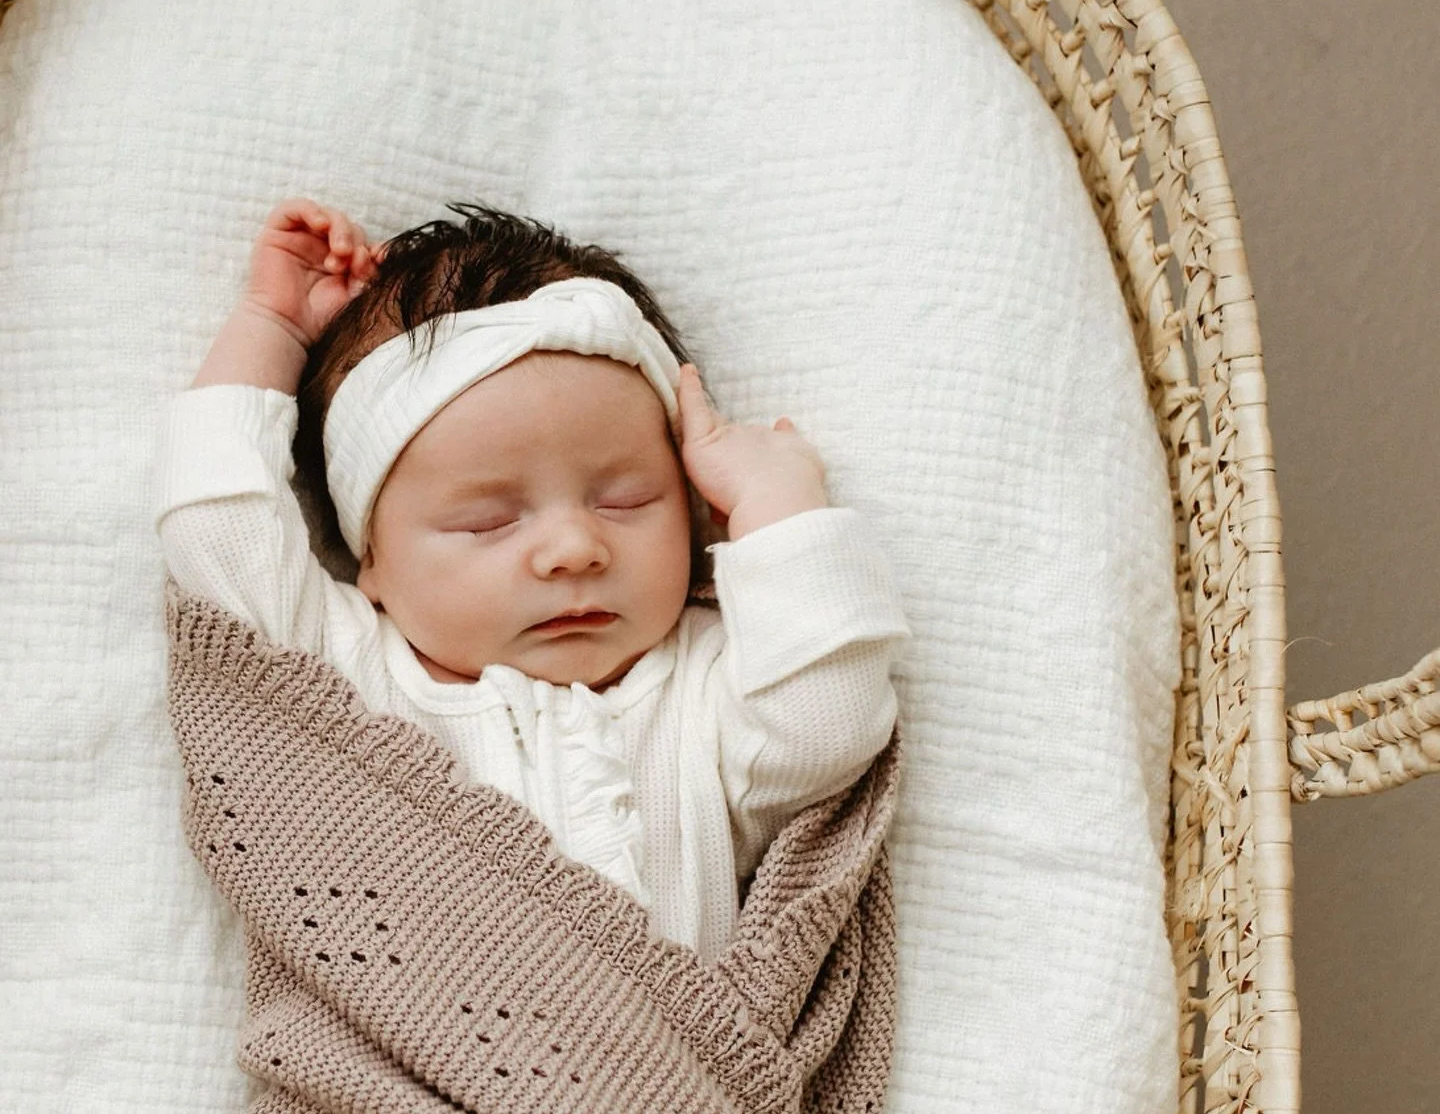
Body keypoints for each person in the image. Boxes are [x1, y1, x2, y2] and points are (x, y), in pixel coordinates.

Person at [153, 196, 912, 962]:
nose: (574, 549)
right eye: (488, 522)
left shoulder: (704, 689)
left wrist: (778, 510)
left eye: (625, 501)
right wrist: (273, 331)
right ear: (370, 560)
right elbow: (219, 533)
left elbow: (829, 733)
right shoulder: (345, 681)